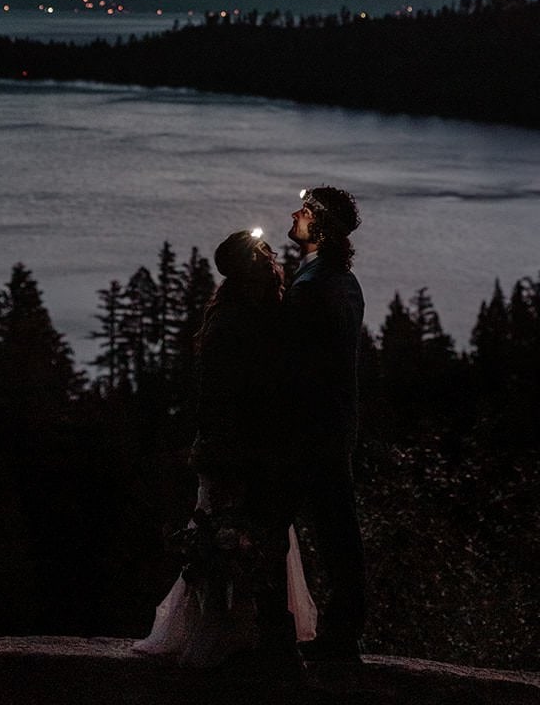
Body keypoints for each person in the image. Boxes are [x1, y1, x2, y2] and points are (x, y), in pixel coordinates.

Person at [133, 229, 316, 670]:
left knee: (251, 539)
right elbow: (220, 394)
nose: (272, 260)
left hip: (253, 447)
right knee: (234, 540)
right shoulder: (241, 318)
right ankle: (232, 636)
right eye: (265, 255)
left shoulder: (251, 313)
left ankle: (252, 635)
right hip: (239, 450)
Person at [284, 185, 366, 665]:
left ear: (321, 226)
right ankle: (340, 632)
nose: (295, 213)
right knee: (335, 526)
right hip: (331, 422)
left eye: (306, 210)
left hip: (313, 426)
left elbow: (301, 363)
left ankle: (331, 635)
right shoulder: (337, 277)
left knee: (326, 528)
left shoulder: (316, 285)